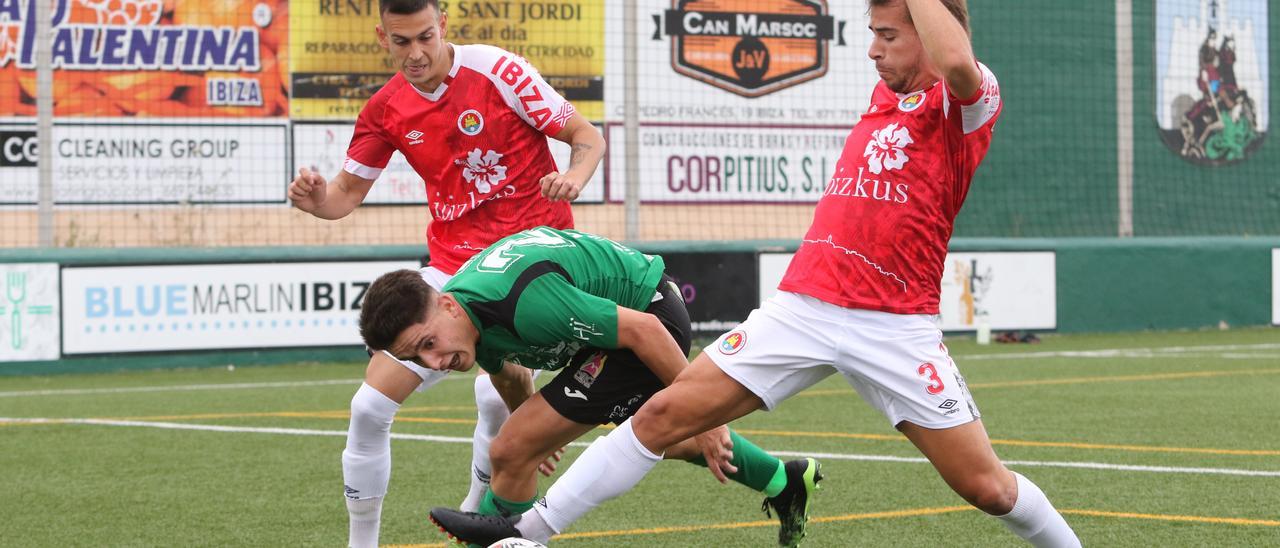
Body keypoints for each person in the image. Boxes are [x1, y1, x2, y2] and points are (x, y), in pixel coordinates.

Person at [427, 1, 1083, 546]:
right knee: (659, 417)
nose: (874, 51)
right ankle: (526, 536)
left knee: (986, 487)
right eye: (871, 36)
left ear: (933, 33)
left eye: (889, 36)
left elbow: (960, 62)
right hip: (802, 307)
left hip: (894, 327)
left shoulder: (964, 106)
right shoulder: (885, 100)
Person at [285, 1, 606, 546]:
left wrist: (574, 176)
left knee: (493, 397)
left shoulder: (499, 71)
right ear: (382, 37)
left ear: (444, 29)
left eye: (425, 38)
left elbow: (587, 136)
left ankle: (476, 510)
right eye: (401, 41)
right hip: (453, 270)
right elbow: (344, 197)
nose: (415, 53)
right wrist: (318, 202)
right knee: (368, 407)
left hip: (528, 263)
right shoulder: (384, 109)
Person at [358, 227, 822, 547]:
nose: (434, 363)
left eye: (429, 345)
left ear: (446, 306)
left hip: (650, 316)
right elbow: (509, 372)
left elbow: (642, 331)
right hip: (608, 332)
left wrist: (705, 412)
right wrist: (535, 424)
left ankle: (510, 540)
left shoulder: (521, 302)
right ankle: (784, 482)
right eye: (417, 358)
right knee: (666, 438)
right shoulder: (465, 318)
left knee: (511, 450)